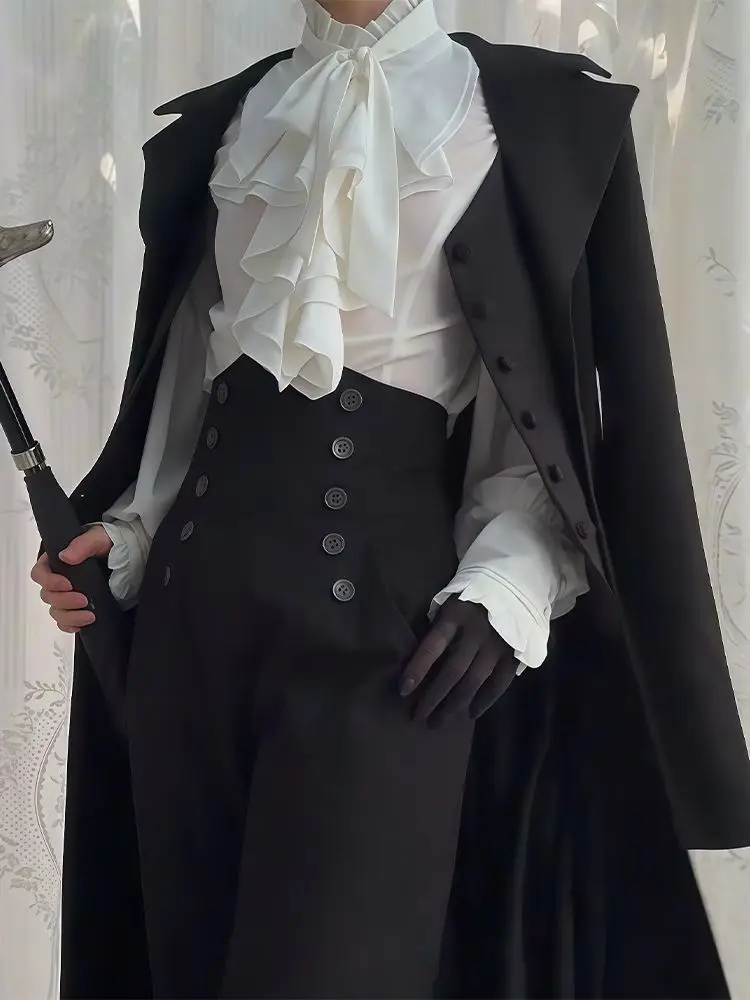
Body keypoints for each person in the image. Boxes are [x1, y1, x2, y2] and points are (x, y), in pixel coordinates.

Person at [32, 1, 750, 997]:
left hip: (391, 648)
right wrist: (122, 537)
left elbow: (540, 431)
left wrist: (505, 588)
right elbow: (183, 402)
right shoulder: (223, 127)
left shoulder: (532, 119)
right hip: (190, 640)